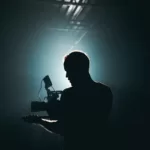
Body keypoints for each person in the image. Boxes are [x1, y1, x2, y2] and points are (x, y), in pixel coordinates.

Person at [25, 50, 113, 149]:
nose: (67, 76)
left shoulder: (69, 94)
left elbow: (62, 128)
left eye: (68, 71)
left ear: (78, 70)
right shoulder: (105, 91)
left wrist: (39, 120)